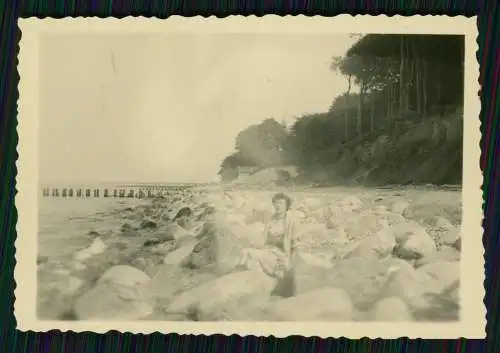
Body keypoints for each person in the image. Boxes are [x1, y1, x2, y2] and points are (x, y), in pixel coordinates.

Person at [238, 192, 297, 294]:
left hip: (280, 251)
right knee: (245, 252)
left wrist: (287, 257)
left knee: (273, 265)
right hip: (269, 249)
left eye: (281, 203)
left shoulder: (289, 221)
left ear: (287, 206)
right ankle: (240, 274)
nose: (277, 205)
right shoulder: (271, 219)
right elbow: (264, 239)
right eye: (275, 203)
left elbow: (288, 240)